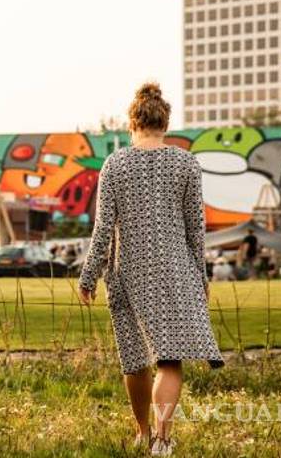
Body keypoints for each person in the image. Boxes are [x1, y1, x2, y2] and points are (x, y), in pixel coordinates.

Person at [78, 82, 223, 457]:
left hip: (128, 273)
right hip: (177, 271)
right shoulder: (186, 163)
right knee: (170, 357)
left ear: (132, 124)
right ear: (165, 123)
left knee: (135, 359)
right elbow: (196, 228)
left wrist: (89, 275)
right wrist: (201, 277)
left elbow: (104, 228)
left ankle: (143, 432)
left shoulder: (116, 164)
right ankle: (162, 437)